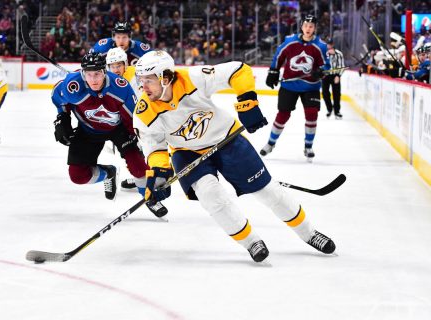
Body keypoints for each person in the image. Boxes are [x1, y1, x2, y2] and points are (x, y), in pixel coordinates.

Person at [133, 50, 336, 263]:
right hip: (186, 152)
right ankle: (251, 242)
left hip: (226, 139)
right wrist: (158, 175)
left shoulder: (193, 78)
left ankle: (309, 233)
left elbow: (238, 70)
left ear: (166, 77)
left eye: (149, 80)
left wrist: (247, 102)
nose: (143, 86)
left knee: (268, 192)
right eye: (141, 80)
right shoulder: (144, 110)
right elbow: (155, 148)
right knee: (211, 196)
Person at [51, 52, 167, 217]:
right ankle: (108, 173)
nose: (94, 79)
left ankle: (149, 197)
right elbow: (58, 98)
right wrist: (62, 118)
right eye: (89, 75)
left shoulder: (120, 88)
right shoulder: (73, 85)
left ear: (104, 71)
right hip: (87, 129)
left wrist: (136, 139)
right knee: (78, 176)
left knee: (138, 167)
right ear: (83, 74)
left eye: (97, 73)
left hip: (118, 129)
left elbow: (133, 117)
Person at [260, 14, 329, 161]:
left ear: (315, 28)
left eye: (311, 26)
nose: (308, 29)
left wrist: (321, 72)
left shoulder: (320, 46)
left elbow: (326, 65)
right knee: (283, 115)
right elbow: (278, 55)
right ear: (301, 26)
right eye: (306, 26)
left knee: (311, 114)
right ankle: (271, 143)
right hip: (289, 84)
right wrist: (273, 70)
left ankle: (308, 146)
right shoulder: (290, 41)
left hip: (311, 86)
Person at [106, 47, 141, 190]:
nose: (116, 69)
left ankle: (148, 175)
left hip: (142, 117)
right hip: (125, 120)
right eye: (112, 66)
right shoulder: (106, 78)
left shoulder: (137, 74)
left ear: (125, 64)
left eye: (119, 65)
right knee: (131, 150)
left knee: (144, 146)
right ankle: (141, 175)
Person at [322, 39, 345, 119]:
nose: (329, 46)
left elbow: (342, 66)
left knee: (336, 94)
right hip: (325, 75)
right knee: (325, 93)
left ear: (333, 44)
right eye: (328, 44)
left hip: (335, 75)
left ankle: (337, 111)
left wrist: (338, 75)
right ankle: (329, 109)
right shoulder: (323, 53)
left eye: (330, 44)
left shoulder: (339, 54)